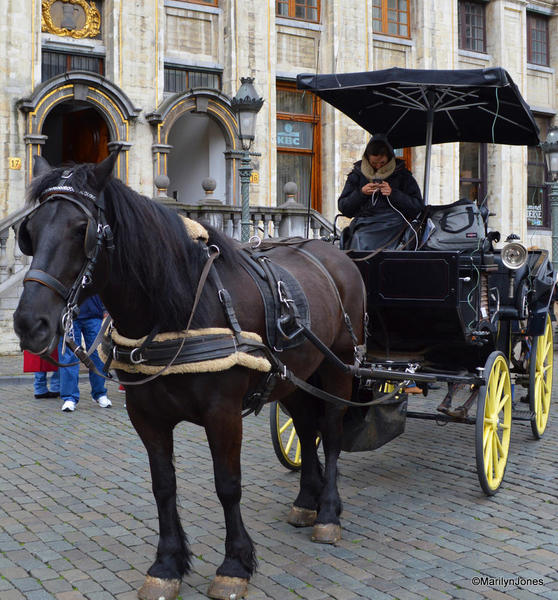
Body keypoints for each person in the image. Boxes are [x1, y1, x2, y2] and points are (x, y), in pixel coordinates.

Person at [338, 134, 424, 250]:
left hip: (394, 224)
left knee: (363, 239)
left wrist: (393, 194)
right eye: (374, 163)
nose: (378, 167)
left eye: (382, 163)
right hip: (364, 223)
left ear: (389, 158)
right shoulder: (357, 175)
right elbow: (344, 207)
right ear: (367, 159)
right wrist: (361, 193)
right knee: (360, 238)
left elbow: (417, 206)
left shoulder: (403, 175)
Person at [58, 294, 112, 412]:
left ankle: (100, 393)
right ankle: (69, 397)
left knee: (98, 355)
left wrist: (106, 309)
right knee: (69, 357)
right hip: (69, 315)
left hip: (94, 314)